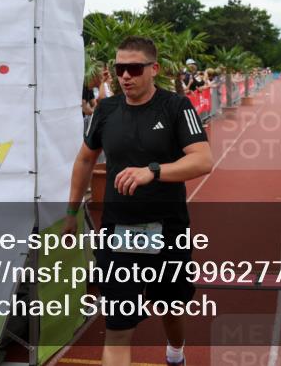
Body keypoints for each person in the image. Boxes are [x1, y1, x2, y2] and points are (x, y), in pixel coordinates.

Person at [64, 36, 212, 366]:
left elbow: (203, 159)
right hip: (118, 235)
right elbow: (85, 160)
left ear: (153, 69)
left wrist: (153, 171)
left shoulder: (176, 107)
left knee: (171, 309)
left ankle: (176, 353)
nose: (125, 76)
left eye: (133, 68)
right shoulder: (106, 110)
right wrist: (72, 210)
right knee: (118, 325)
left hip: (168, 232)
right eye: (119, 69)